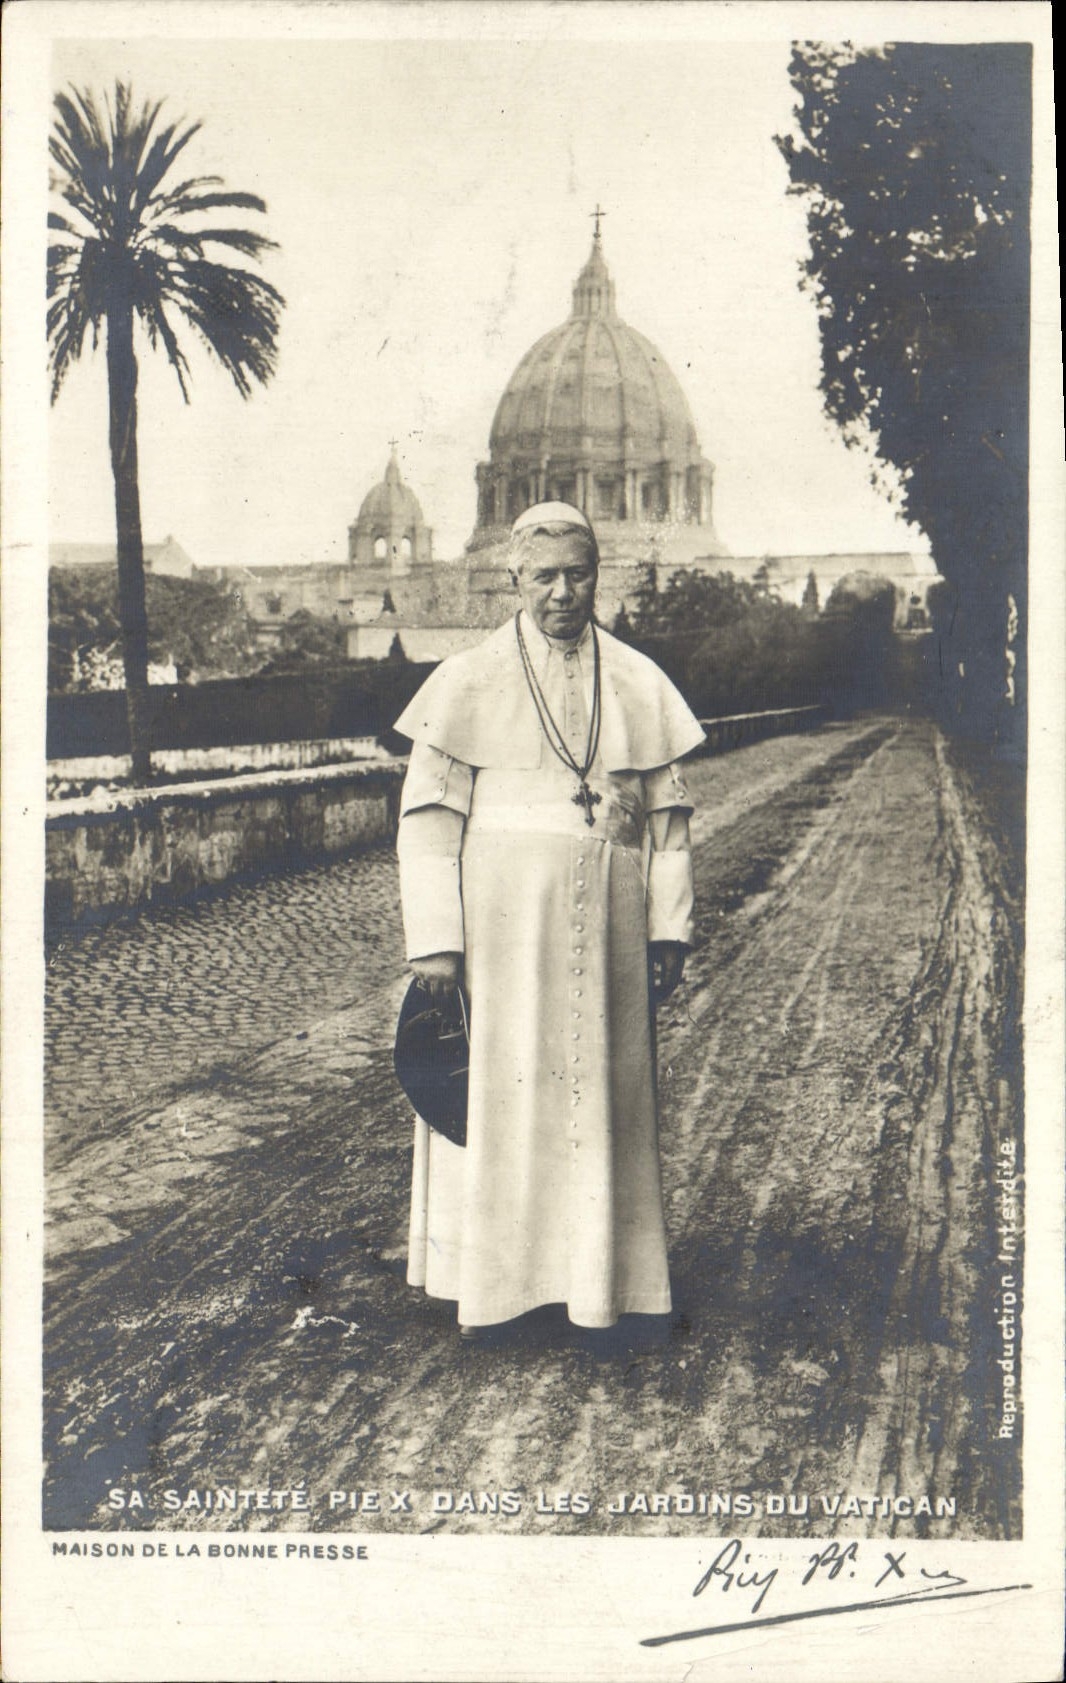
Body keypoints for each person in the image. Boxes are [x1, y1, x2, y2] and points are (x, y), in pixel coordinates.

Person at [393, 503, 705, 1339]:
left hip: (609, 927)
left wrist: (668, 927)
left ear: (598, 574)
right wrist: (438, 946)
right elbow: (427, 822)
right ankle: (499, 1289)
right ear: (514, 580)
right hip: (500, 934)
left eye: (580, 574)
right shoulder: (466, 680)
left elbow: (668, 817)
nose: (564, 593)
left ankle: (604, 1283)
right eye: (545, 577)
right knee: (508, 1093)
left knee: (602, 1099)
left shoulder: (637, 680)